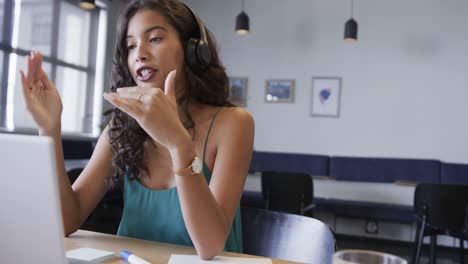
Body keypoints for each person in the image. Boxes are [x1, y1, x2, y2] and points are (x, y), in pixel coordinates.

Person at [19, 0, 254, 260]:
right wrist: (50, 128)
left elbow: (209, 246)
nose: (139, 53)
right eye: (130, 46)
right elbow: (64, 220)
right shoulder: (121, 127)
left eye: (154, 39)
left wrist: (178, 143)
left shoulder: (234, 124)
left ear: (193, 51)